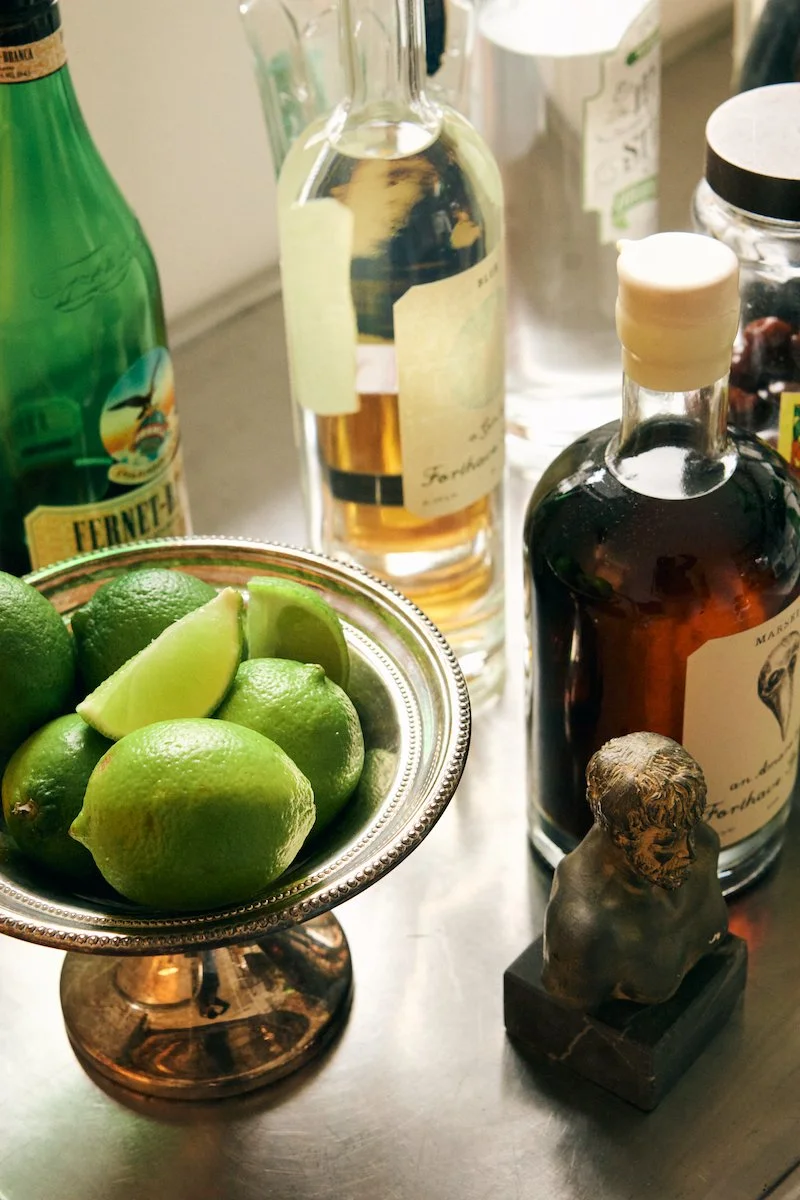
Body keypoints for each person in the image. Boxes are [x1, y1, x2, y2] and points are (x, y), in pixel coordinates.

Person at [542, 732, 729, 1010]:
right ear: (620, 836)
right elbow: (564, 1017)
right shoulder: (583, 927)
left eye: (691, 828)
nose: (689, 852)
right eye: (666, 843)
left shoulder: (702, 845)